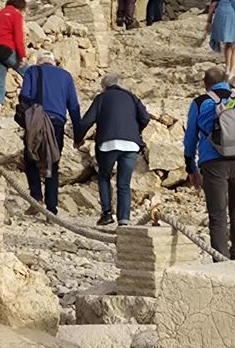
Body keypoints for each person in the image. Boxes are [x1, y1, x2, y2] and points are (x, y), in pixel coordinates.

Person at [183, 67, 235, 260]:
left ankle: (221, 259)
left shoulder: (200, 102)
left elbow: (190, 139)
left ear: (205, 84)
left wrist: (191, 168)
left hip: (213, 163)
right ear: (227, 82)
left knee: (217, 213)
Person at [80, 71, 151, 226]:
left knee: (104, 176)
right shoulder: (131, 96)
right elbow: (145, 117)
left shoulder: (101, 98)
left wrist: (78, 139)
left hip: (108, 145)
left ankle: (106, 214)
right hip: (131, 145)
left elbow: (86, 121)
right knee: (124, 184)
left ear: (103, 87)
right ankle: (123, 220)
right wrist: (135, 131)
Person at [16, 51, 82, 215]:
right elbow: (74, 106)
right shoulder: (66, 76)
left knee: (31, 157)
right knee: (53, 161)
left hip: (37, 120)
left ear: (39, 62)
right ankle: (51, 208)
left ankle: (36, 198)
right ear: (53, 62)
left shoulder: (32, 71)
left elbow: (24, 95)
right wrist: (78, 134)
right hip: (57, 122)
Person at [0, 0, 28, 125]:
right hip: (7, 50)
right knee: (30, 74)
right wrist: (22, 55)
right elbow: (18, 37)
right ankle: (35, 104)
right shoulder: (16, 15)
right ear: (20, 7)